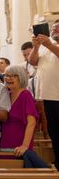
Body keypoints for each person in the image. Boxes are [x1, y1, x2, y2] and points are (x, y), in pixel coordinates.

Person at [29, 20, 59, 168]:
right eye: (53, 28)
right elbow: (33, 61)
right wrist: (36, 47)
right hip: (48, 96)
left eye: (58, 28)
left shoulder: (50, 45)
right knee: (54, 133)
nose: (55, 31)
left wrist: (49, 44)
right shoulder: (46, 45)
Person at [0, 65, 39, 155]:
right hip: (5, 141)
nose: (8, 78)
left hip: (20, 143)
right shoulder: (6, 94)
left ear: (21, 77)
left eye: (13, 76)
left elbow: (31, 123)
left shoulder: (25, 95)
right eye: (6, 75)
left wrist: (24, 146)